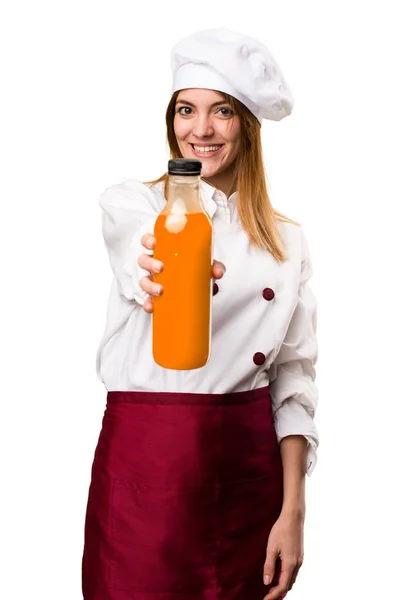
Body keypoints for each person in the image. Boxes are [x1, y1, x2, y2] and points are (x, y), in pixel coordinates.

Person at [82, 28, 319, 600]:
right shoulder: (136, 206)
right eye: (186, 110)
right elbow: (142, 252)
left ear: (248, 127)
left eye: (222, 113)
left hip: (247, 479)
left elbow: (292, 384)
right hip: (146, 468)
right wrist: (169, 266)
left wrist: (293, 513)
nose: (201, 130)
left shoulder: (287, 241)